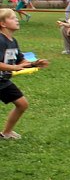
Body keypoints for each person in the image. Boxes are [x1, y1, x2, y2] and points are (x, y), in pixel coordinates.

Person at [0, 9, 49, 139]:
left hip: (3, 81)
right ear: (3, 24)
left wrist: (34, 64)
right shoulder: (0, 41)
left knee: (22, 104)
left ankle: (6, 133)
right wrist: (14, 67)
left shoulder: (12, 41)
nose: (16, 20)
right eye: (12, 18)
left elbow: (21, 60)